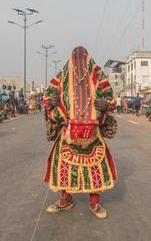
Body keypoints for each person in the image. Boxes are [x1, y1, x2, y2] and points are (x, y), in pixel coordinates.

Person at [44, 46, 117, 219]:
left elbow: (111, 99)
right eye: (76, 59)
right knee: (63, 166)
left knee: (95, 167)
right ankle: (65, 199)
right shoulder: (62, 75)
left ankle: (94, 202)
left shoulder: (98, 73)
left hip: (93, 132)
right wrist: (51, 100)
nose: (79, 62)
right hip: (67, 130)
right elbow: (48, 97)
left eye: (81, 59)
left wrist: (106, 105)